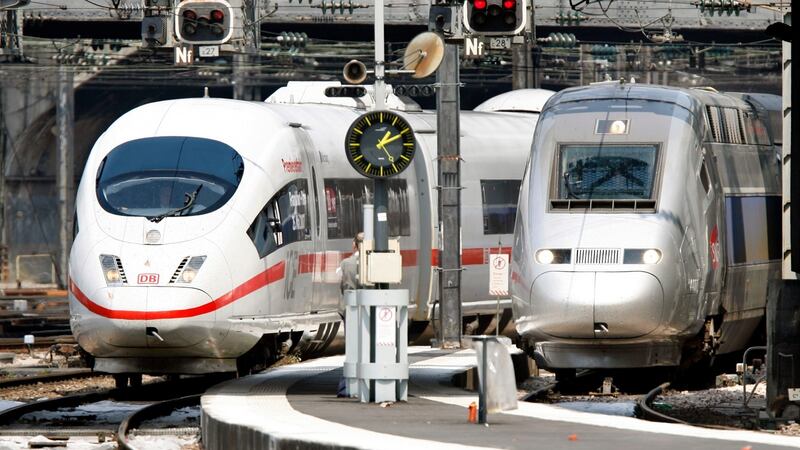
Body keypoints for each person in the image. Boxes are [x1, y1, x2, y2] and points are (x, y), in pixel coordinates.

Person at [337, 232, 363, 398]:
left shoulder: (346, 264)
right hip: (370, 311)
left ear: (354, 244)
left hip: (351, 310)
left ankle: (349, 386)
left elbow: (343, 287)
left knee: (352, 349)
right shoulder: (375, 261)